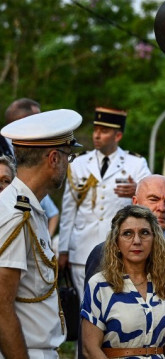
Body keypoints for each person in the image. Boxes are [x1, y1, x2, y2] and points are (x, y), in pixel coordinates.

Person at [82, 175, 165, 359]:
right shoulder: (102, 255)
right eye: (154, 199)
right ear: (135, 202)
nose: (162, 208)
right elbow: (88, 338)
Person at [0, 109, 82, 358]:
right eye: (69, 156)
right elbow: (2, 307)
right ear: (54, 158)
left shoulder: (30, 208)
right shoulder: (16, 215)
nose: (69, 165)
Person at [59, 106, 152, 301]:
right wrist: (63, 250)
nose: (97, 135)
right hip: (82, 249)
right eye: (95, 130)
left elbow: (151, 201)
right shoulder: (78, 163)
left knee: (117, 304)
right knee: (86, 306)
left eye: (104, 131)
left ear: (117, 136)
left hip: (119, 249)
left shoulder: (136, 164)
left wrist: (137, 189)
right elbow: (69, 209)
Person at [81, 205, 165, 358]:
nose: (137, 241)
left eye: (144, 233)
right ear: (116, 243)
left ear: (154, 240)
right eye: (127, 233)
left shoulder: (163, 284)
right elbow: (90, 348)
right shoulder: (100, 285)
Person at [4, 98, 60, 237]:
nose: (43, 127)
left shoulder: (36, 151)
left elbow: (51, 210)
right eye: (39, 121)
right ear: (23, 122)